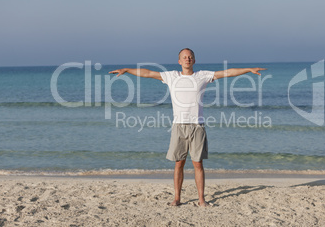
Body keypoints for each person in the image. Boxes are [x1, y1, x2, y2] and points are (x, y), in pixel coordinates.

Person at [109, 48, 266, 207]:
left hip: (197, 126)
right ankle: (177, 198)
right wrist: (127, 70)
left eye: (190, 57)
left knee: (198, 164)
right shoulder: (171, 76)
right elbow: (148, 73)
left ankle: (201, 199)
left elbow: (227, 72)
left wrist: (247, 70)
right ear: (179, 61)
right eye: (184, 57)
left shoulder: (202, 76)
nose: (187, 59)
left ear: (194, 60)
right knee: (179, 163)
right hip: (179, 126)